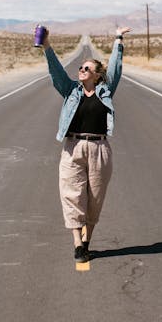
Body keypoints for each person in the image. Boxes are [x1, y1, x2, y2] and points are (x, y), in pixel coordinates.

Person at [42, 26, 131, 263]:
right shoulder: (71, 90)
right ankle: (78, 244)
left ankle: (87, 240)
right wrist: (47, 45)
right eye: (80, 68)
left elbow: (116, 69)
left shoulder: (105, 90)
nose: (81, 71)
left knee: (95, 199)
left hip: (99, 149)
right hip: (72, 148)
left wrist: (118, 40)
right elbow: (56, 72)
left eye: (86, 69)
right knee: (72, 195)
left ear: (97, 75)